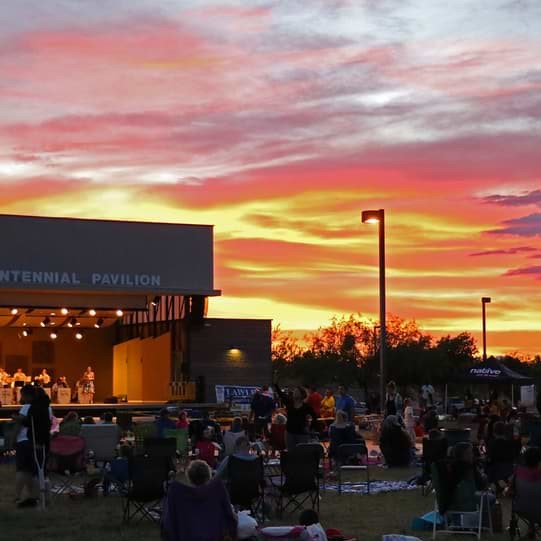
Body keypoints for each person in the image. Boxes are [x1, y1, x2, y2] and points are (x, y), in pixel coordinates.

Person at [162, 460, 237, 541]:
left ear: (189, 478)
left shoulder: (176, 492)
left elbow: (168, 525)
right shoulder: (218, 489)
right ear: (208, 476)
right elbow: (230, 517)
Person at [13, 385, 53, 507]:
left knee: (30, 471)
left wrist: (18, 421)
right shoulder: (47, 407)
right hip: (44, 441)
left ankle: (37, 497)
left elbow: (30, 422)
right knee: (41, 471)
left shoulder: (32, 407)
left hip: (35, 441)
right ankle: (43, 497)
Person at [274, 384, 316, 450]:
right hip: (290, 432)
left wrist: (310, 428)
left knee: (302, 452)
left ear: (302, 395)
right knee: (291, 452)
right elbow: (282, 395)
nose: (294, 393)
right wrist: (276, 385)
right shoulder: (289, 403)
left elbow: (314, 417)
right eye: (294, 391)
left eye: (297, 392)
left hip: (302, 433)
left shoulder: (306, 407)